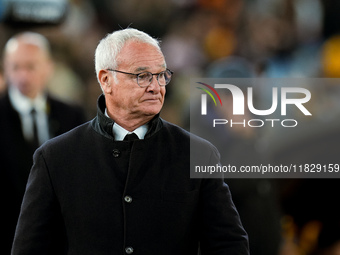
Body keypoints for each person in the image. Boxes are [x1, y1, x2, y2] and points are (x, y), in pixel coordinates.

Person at [11, 28, 249, 254]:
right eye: (143, 76)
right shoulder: (55, 158)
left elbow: (228, 245)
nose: (156, 87)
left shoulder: (198, 153)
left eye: (162, 75)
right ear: (105, 80)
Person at [0, 32, 86, 254]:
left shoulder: (72, 116)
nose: (22, 76)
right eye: (15, 67)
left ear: (48, 67)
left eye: (30, 66)